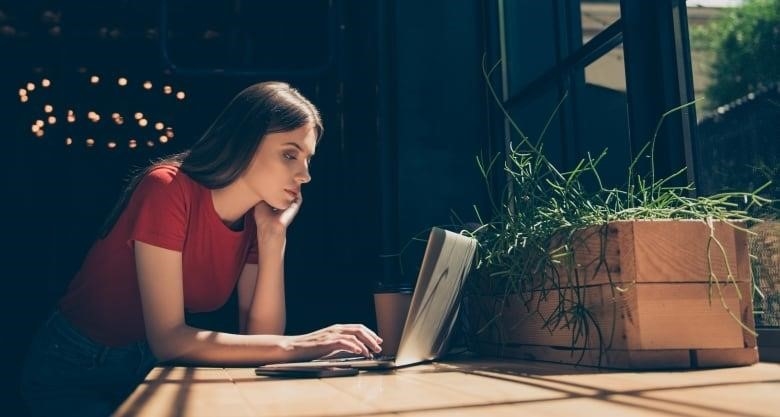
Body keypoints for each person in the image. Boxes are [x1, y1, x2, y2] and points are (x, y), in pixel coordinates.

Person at [20, 81, 383, 417]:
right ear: (244, 142)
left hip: (147, 369)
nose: (305, 175)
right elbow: (169, 338)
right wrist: (303, 345)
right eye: (290, 155)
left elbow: (258, 340)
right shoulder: (167, 188)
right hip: (75, 367)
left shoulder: (258, 219)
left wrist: (273, 239)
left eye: (308, 159)